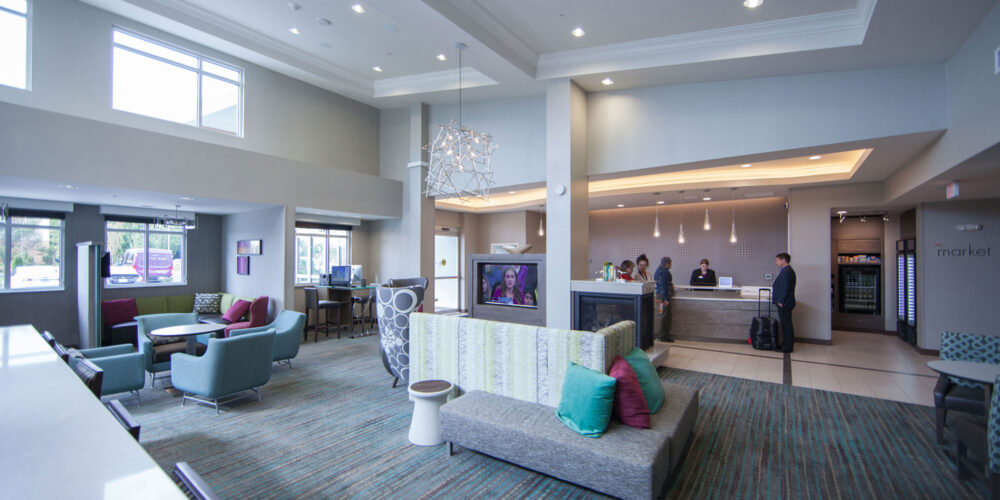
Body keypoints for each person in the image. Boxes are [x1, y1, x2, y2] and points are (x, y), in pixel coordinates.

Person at [772, 252, 797, 353]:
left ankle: (787, 347)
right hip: (784, 302)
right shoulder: (786, 271)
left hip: (784, 303)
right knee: (785, 325)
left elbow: (785, 287)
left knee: (786, 325)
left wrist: (781, 300)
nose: (776, 262)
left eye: (777, 260)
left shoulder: (787, 272)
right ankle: (784, 344)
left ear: (783, 260)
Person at [653, 256, 674, 342]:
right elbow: (664, 286)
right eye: (670, 263)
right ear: (667, 264)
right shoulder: (665, 272)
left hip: (658, 294)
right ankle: (663, 336)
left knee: (661, 316)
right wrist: (666, 299)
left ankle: (661, 335)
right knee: (665, 316)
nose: (671, 265)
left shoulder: (658, 270)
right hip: (663, 296)